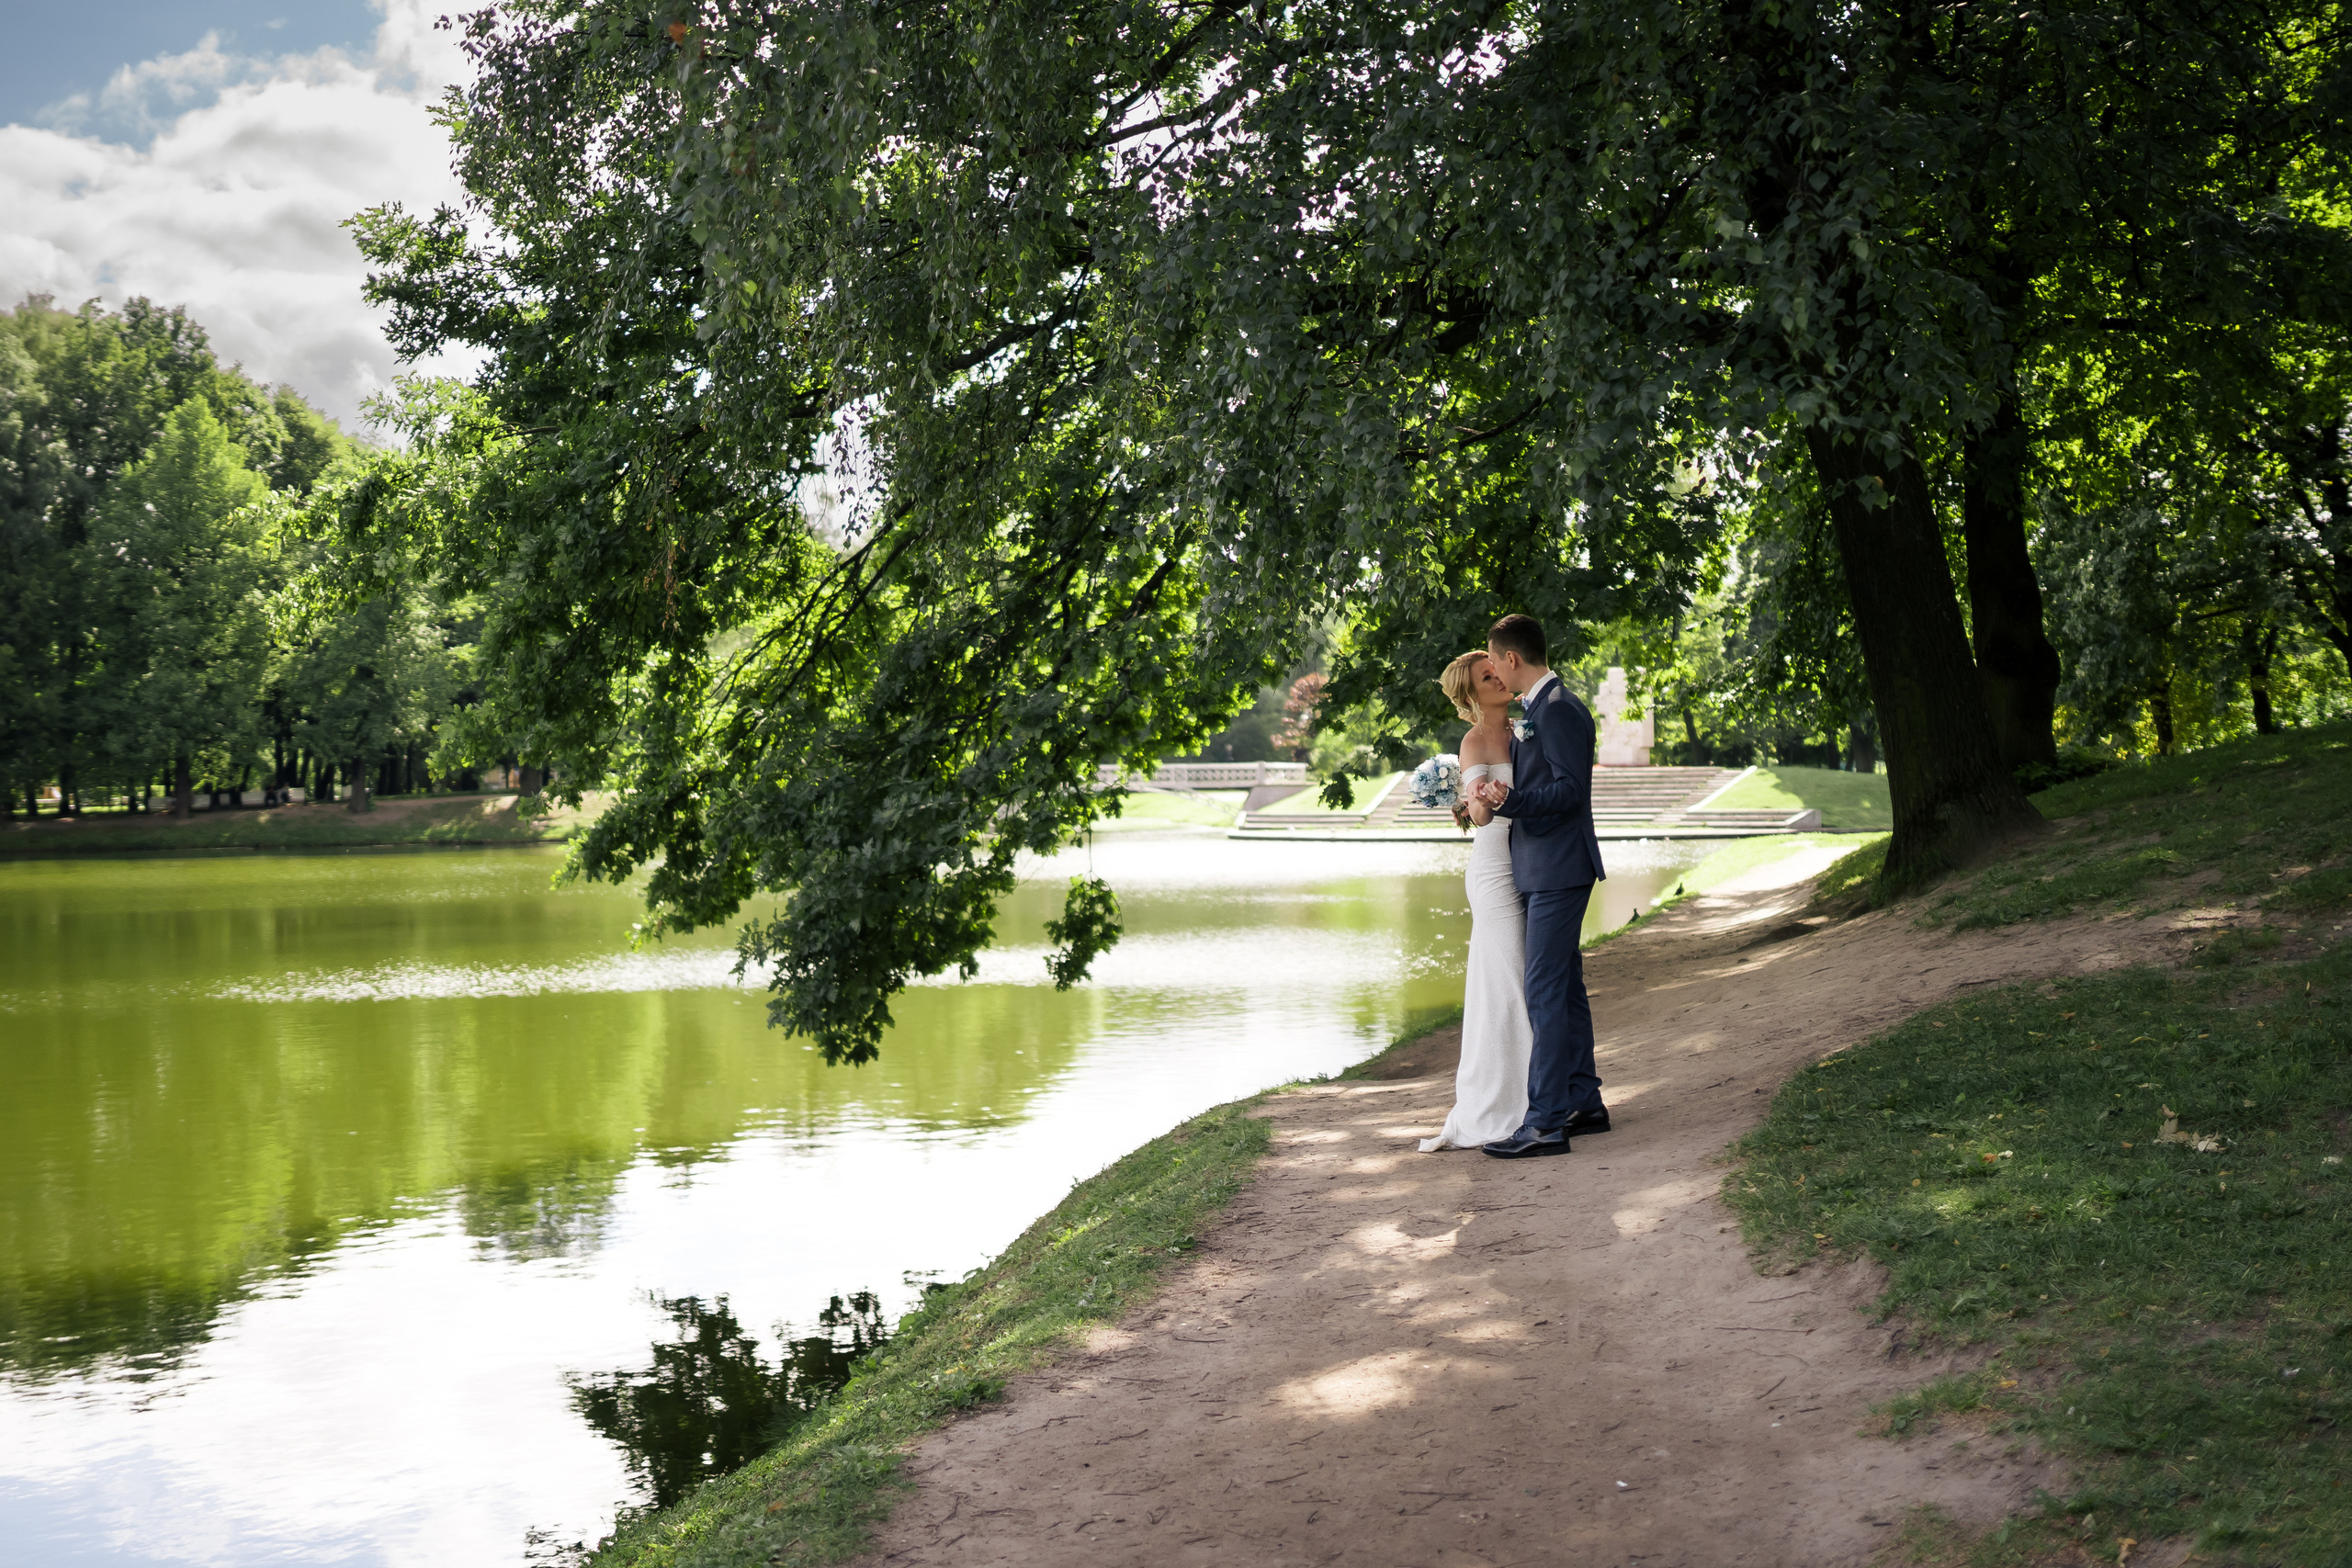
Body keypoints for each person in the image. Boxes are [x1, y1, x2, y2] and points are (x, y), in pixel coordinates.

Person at [1469, 613, 1611, 1157]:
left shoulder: (1556, 710)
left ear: (1511, 658)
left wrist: (1514, 801)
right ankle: (1583, 1101)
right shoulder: (1540, 710)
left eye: (1495, 660)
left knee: (1544, 992)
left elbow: (1571, 792)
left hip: (1558, 868)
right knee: (1565, 987)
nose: (1496, 672)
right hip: (1542, 867)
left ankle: (1546, 1121)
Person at [1419, 650, 1533, 1151]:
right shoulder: (1475, 741)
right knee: (1509, 979)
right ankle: (1509, 1106)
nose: (1498, 679)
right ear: (1471, 696)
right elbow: (1481, 817)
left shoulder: (1528, 730)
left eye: (1497, 671)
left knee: (1529, 976)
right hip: (1495, 869)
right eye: (1487, 678)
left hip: (1535, 859)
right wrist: (1482, 800)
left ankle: (1540, 1095)